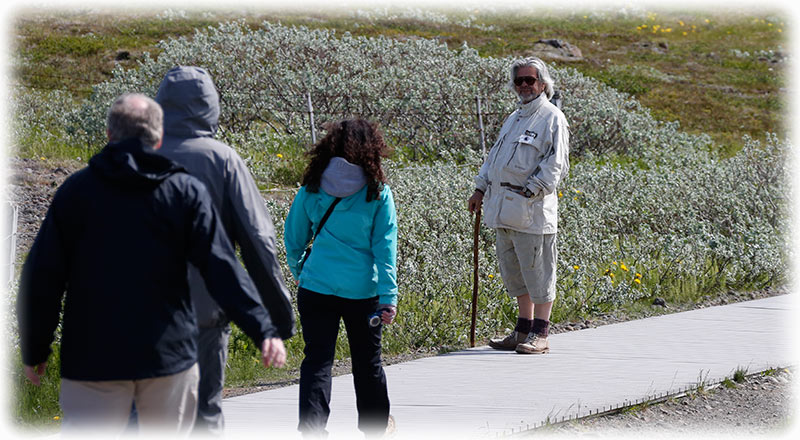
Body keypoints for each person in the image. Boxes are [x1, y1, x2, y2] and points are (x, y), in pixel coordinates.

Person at [17, 93, 286, 437]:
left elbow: (42, 276)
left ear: (109, 135)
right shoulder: (185, 192)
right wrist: (262, 327)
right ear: (159, 138)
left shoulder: (76, 192)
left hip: (93, 358)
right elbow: (221, 266)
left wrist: (35, 346)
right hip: (168, 358)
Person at [154, 65, 296, 435]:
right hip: (206, 311)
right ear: (211, 106)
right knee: (204, 415)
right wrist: (276, 319)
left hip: (139, 315)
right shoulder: (223, 160)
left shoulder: (132, 156)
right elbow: (258, 241)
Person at [284, 119, 397, 438]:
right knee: (367, 361)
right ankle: (375, 428)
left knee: (317, 361)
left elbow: (293, 237)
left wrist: (300, 272)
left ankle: (312, 430)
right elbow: (385, 247)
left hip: (316, 287)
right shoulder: (377, 191)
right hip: (364, 292)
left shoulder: (312, 186)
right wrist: (389, 297)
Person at [467, 56, 570, 355]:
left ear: (543, 83)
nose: (524, 86)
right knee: (515, 273)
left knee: (539, 271)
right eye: (519, 81)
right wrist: (479, 188)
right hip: (502, 208)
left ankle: (541, 333)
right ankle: (522, 329)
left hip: (533, 211)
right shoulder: (514, 118)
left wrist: (531, 191)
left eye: (530, 80)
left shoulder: (552, 118)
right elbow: (494, 160)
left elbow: (556, 164)